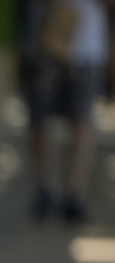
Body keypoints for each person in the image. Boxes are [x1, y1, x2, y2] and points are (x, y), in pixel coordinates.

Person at [16, 0, 112, 224]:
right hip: (48, 40)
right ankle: (46, 187)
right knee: (39, 118)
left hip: (86, 47)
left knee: (82, 120)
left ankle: (73, 193)